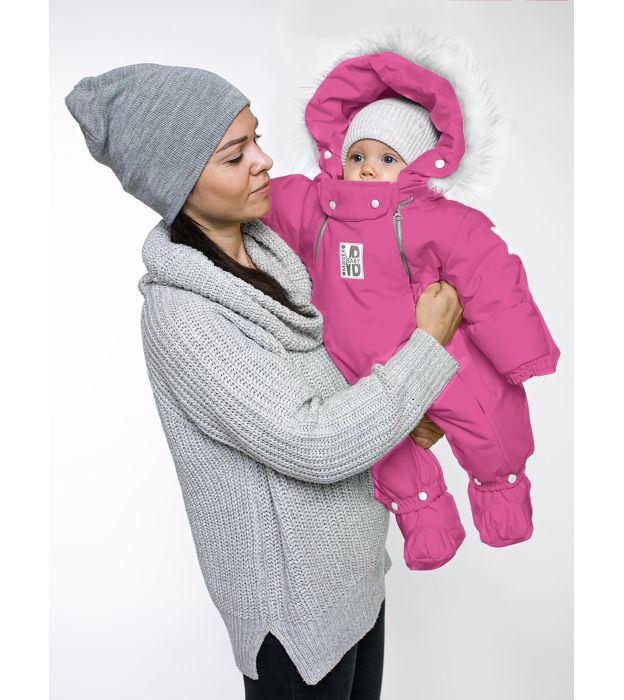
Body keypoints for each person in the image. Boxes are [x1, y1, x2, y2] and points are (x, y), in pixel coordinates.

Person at [64, 62, 463, 698]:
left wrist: (402, 412)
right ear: (178, 182)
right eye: (235, 155)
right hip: (293, 615)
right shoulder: (184, 316)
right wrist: (425, 350)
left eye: (257, 138)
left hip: (355, 575)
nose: (264, 161)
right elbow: (314, 441)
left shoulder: (275, 256)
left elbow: (327, 381)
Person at [261, 40, 561, 572]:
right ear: (337, 156)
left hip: (439, 351)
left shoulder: (430, 217)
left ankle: (503, 494)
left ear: (419, 165)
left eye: (387, 159)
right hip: (355, 367)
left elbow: (489, 271)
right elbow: (263, 201)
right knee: (388, 456)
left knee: (487, 418)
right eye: (357, 156)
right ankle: (426, 523)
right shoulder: (314, 208)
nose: (367, 169)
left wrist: (520, 351)